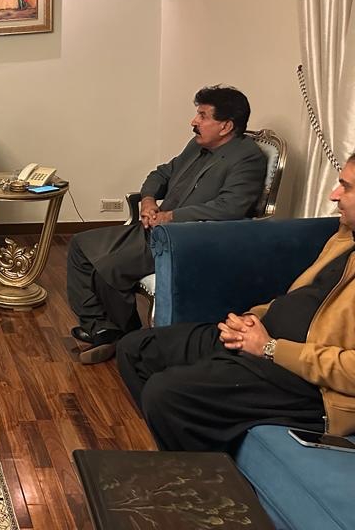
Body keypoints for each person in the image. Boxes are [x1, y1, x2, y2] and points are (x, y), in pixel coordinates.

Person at [117, 151, 355, 451]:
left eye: (346, 187)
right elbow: (303, 298)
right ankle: (189, 450)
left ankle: (200, 473)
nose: (334, 195)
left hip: (310, 383)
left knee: (166, 393)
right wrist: (250, 319)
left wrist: (270, 348)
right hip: (263, 339)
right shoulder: (346, 237)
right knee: (136, 349)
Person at [67, 85, 267, 364]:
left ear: (226, 126)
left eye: (202, 116)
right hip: (154, 228)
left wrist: (169, 217)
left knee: (108, 268)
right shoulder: (196, 146)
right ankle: (100, 327)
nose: (194, 121)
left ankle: (127, 336)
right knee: (80, 245)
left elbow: (229, 208)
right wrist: (148, 201)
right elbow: (161, 174)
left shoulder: (247, 157)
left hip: (186, 239)